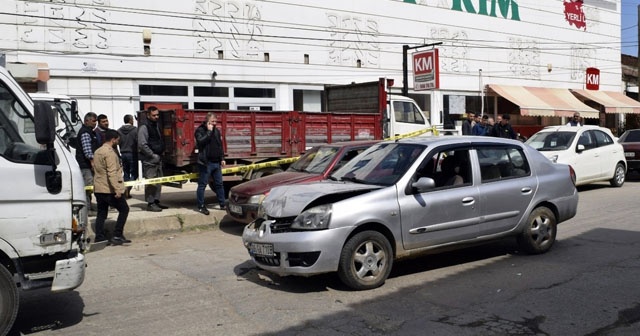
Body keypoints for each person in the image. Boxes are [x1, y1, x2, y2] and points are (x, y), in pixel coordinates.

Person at [93, 129, 131, 246]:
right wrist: (117, 189)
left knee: (101, 213)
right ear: (113, 139)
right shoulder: (109, 153)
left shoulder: (98, 151)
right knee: (124, 209)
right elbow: (112, 172)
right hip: (109, 189)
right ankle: (117, 235)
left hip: (99, 188)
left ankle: (99, 236)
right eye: (117, 140)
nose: (118, 142)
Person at [195, 112, 226, 215]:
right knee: (202, 185)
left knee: (219, 184)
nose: (214, 123)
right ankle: (201, 206)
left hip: (216, 162)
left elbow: (219, 145)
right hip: (206, 163)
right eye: (212, 121)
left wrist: (222, 158)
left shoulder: (216, 131)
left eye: (216, 121)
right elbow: (200, 142)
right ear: (207, 121)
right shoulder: (200, 130)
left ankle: (222, 204)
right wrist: (208, 132)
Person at [138, 106, 168, 212]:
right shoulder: (144, 127)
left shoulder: (156, 125)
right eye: (154, 115)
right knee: (151, 182)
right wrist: (152, 155)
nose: (156, 117)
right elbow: (142, 144)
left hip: (157, 158)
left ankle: (156, 201)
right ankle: (150, 203)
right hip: (149, 160)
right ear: (148, 115)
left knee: (158, 182)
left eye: (157, 115)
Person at [75, 112, 99, 210]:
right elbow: (87, 151)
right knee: (87, 187)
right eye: (93, 121)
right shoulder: (85, 132)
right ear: (87, 121)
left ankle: (89, 207)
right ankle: (87, 209)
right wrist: (92, 163)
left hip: (88, 165)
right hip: (86, 165)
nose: (95, 123)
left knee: (90, 187)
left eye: (96, 121)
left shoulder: (90, 132)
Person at [118, 114, 138, 199]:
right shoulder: (135, 130)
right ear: (130, 120)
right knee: (134, 173)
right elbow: (138, 141)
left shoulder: (118, 131)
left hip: (123, 153)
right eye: (132, 119)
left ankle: (126, 191)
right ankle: (127, 188)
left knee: (125, 173)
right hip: (132, 154)